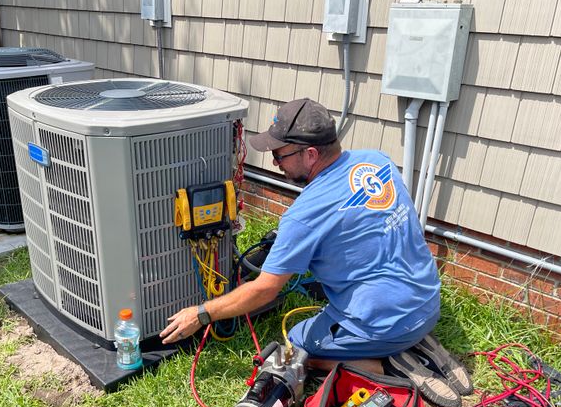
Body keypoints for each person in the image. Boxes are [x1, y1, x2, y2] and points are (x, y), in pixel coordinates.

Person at [160, 98, 440, 376]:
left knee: (297, 348)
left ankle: (386, 364)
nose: (274, 161)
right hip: (428, 300)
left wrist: (201, 313)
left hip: (389, 323)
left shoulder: (304, 214)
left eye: (280, 155)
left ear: (310, 154)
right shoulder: (377, 161)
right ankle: (405, 340)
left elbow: (265, 289)